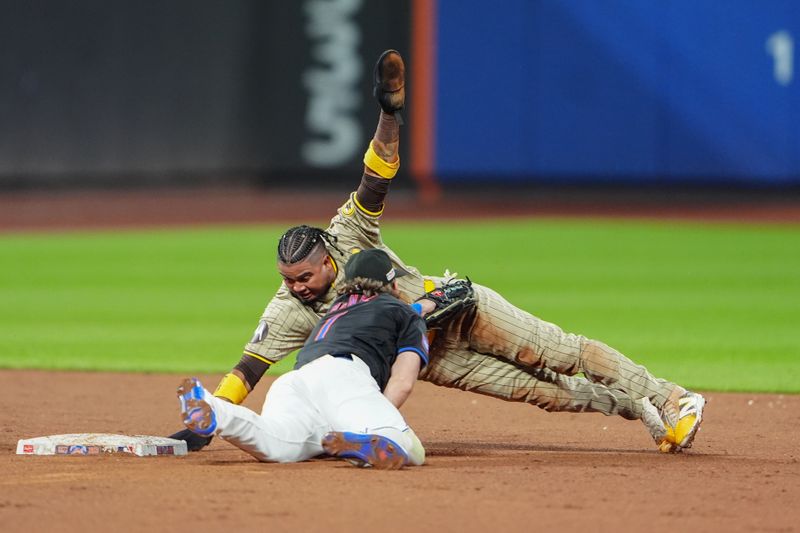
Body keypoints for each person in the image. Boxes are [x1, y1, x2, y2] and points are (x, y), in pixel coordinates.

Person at [171, 49, 705, 455]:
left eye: (304, 276)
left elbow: (376, 175)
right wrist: (210, 416)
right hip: (430, 354)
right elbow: (246, 371)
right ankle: (637, 407)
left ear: (329, 258)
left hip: (459, 308)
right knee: (550, 393)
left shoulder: (348, 231)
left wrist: (389, 113)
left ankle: (671, 395)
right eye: (288, 278)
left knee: (561, 352)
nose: (296, 286)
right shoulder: (288, 308)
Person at [177, 248, 428, 469]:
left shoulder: (337, 307)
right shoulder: (405, 314)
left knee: (276, 442)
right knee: (410, 449)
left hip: (295, 381)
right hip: (344, 377)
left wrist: (419, 309)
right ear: (394, 284)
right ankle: (371, 439)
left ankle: (216, 410)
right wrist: (376, 417)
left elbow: (378, 313)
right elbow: (403, 382)